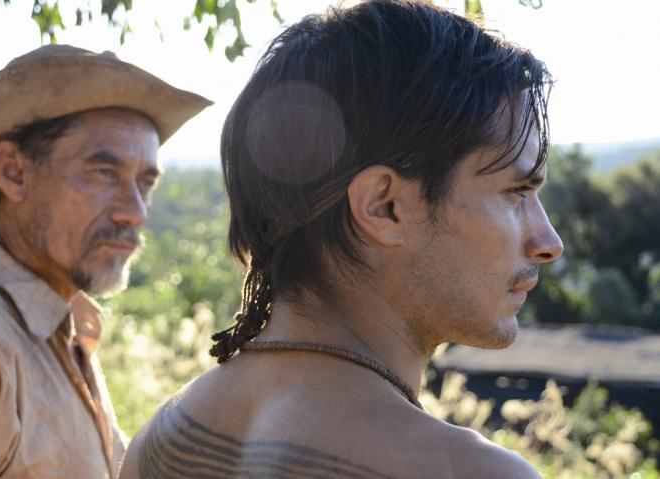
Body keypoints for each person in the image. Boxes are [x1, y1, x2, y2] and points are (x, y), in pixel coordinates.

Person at [120, 1, 562, 478]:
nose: (548, 241)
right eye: (516, 192)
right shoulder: (468, 472)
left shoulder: (154, 443)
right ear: (384, 207)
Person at [0, 44, 210, 478]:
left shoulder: (63, 323)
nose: (135, 212)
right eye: (104, 173)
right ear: (14, 172)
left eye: (145, 182)